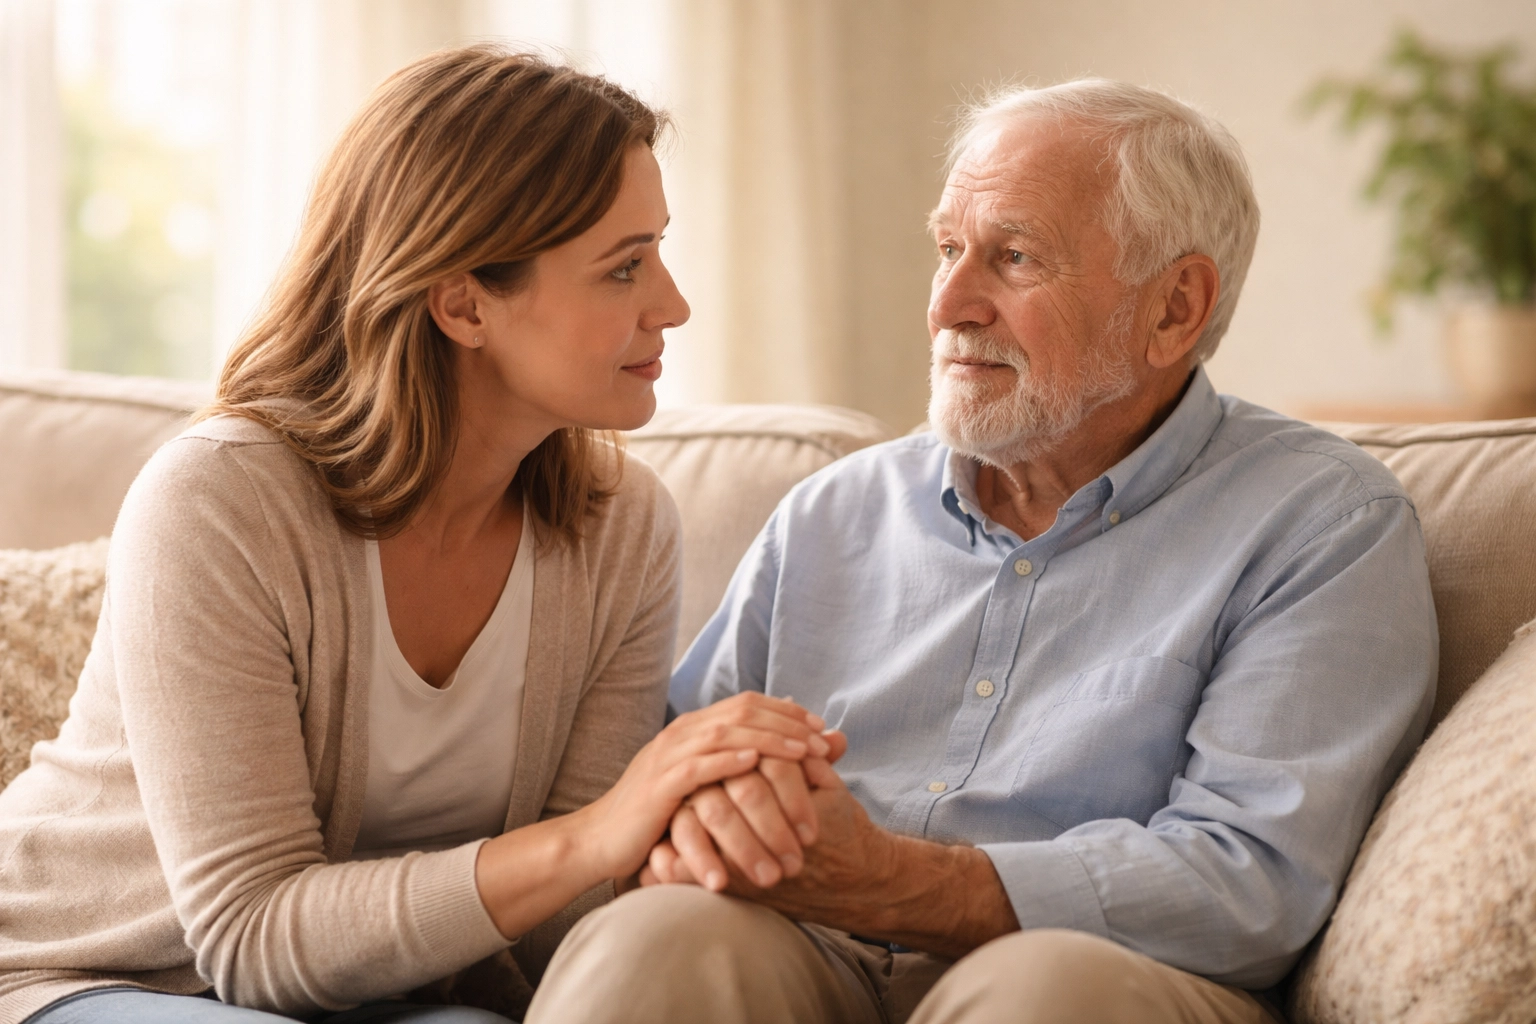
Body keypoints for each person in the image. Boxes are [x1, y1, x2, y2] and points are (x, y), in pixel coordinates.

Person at [524, 80, 1439, 1024]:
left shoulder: (1321, 522)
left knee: (1040, 990)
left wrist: (895, 882)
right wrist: (709, 823)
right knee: (658, 939)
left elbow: (1253, 884)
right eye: (949, 251)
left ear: (1175, 308)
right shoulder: (835, 510)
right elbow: (679, 768)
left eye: (1014, 257)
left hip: (1101, 975)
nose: (952, 304)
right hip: (809, 954)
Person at [0, 47, 837, 1024]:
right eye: (624, 266)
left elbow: (557, 928)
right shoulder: (221, 501)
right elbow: (251, 934)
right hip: (89, 975)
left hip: (379, 1000)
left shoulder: (622, 528)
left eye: (658, 249)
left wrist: (717, 817)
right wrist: (603, 832)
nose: (674, 304)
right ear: (462, 302)